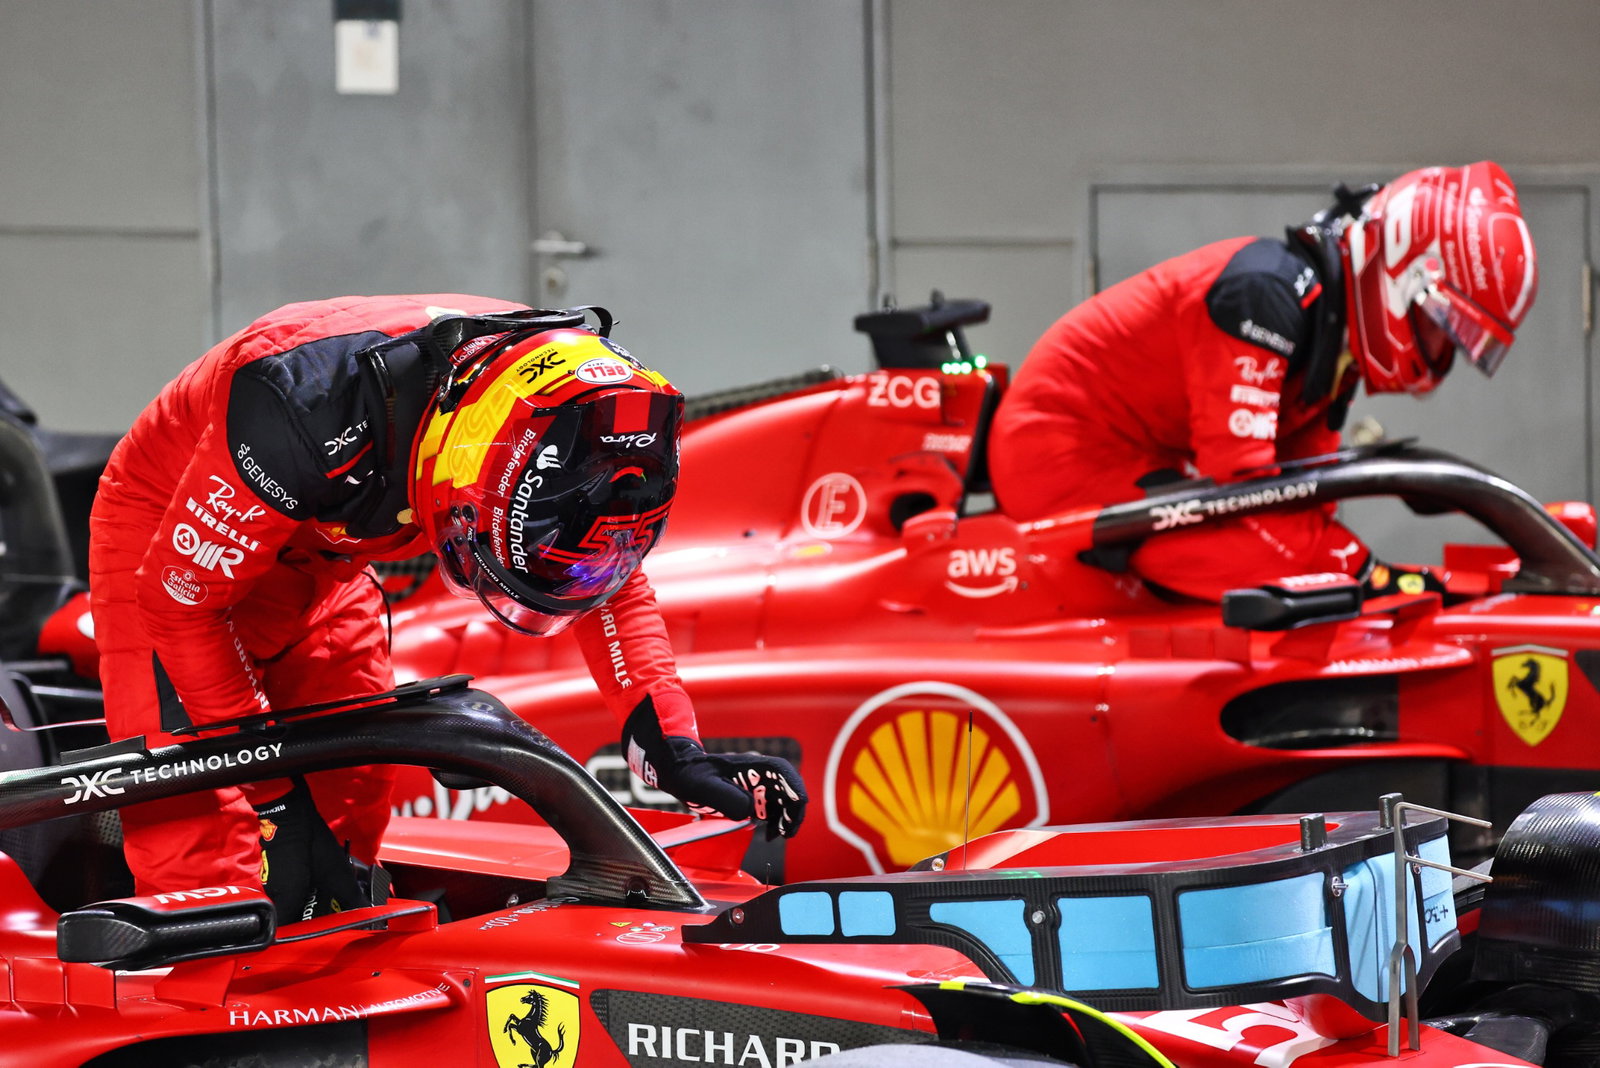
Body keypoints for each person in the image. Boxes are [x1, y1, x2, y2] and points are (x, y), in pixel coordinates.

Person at [88, 294, 806, 921]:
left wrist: (671, 746)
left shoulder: (576, 419)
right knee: (213, 860)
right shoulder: (301, 406)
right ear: (457, 474)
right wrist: (271, 790)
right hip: (173, 553)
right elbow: (179, 605)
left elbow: (607, 577)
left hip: (326, 564)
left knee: (351, 813)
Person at [987, 161, 1539, 600]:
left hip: (1132, 457)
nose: (1444, 351)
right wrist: (1363, 570)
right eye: (1446, 327)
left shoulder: (1332, 332)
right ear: (1401, 271)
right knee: (1281, 569)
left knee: (1319, 567)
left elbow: (1307, 495)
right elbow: (1247, 487)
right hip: (1057, 452)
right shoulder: (1263, 294)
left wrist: (1359, 568)